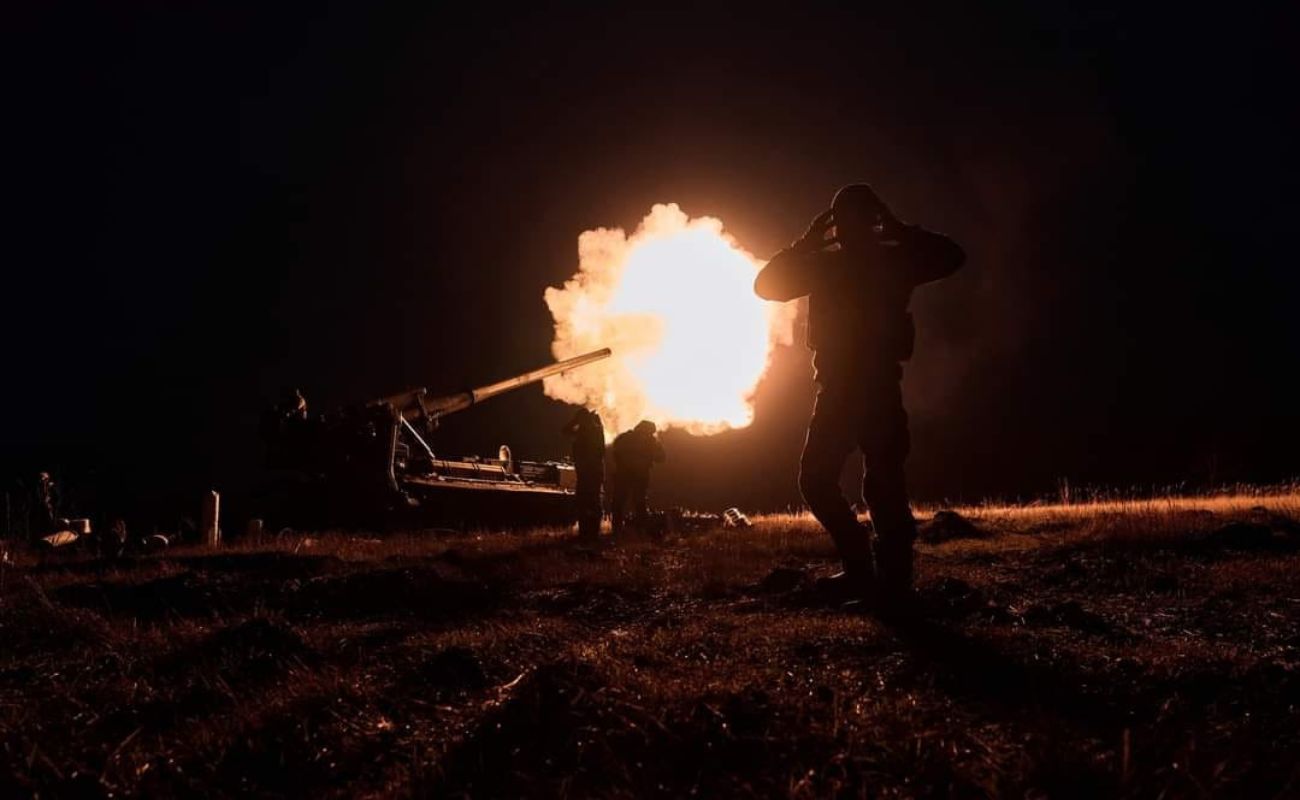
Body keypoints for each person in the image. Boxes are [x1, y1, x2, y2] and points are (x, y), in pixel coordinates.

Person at [754, 183, 964, 601]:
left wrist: (806, 244)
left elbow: (767, 284)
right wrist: (900, 229)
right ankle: (881, 577)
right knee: (878, 483)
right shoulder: (893, 260)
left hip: (849, 390)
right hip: (870, 388)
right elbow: (951, 255)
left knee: (835, 481)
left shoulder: (832, 265)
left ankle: (872, 573)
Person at [610, 420, 666, 538]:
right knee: (630, 503)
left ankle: (626, 530)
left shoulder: (628, 438)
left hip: (631, 475)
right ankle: (630, 530)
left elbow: (661, 457)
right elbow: (661, 458)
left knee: (627, 503)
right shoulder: (646, 441)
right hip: (632, 475)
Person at [562, 408, 606, 544]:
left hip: (590, 473)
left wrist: (575, 420)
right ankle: (589, 532)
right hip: (589, 472)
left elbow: (566, 430)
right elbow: (565, 431)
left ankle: (590, 533)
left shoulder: (591, 431)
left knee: (589, 502)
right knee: (588, 502)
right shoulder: (594, 430)